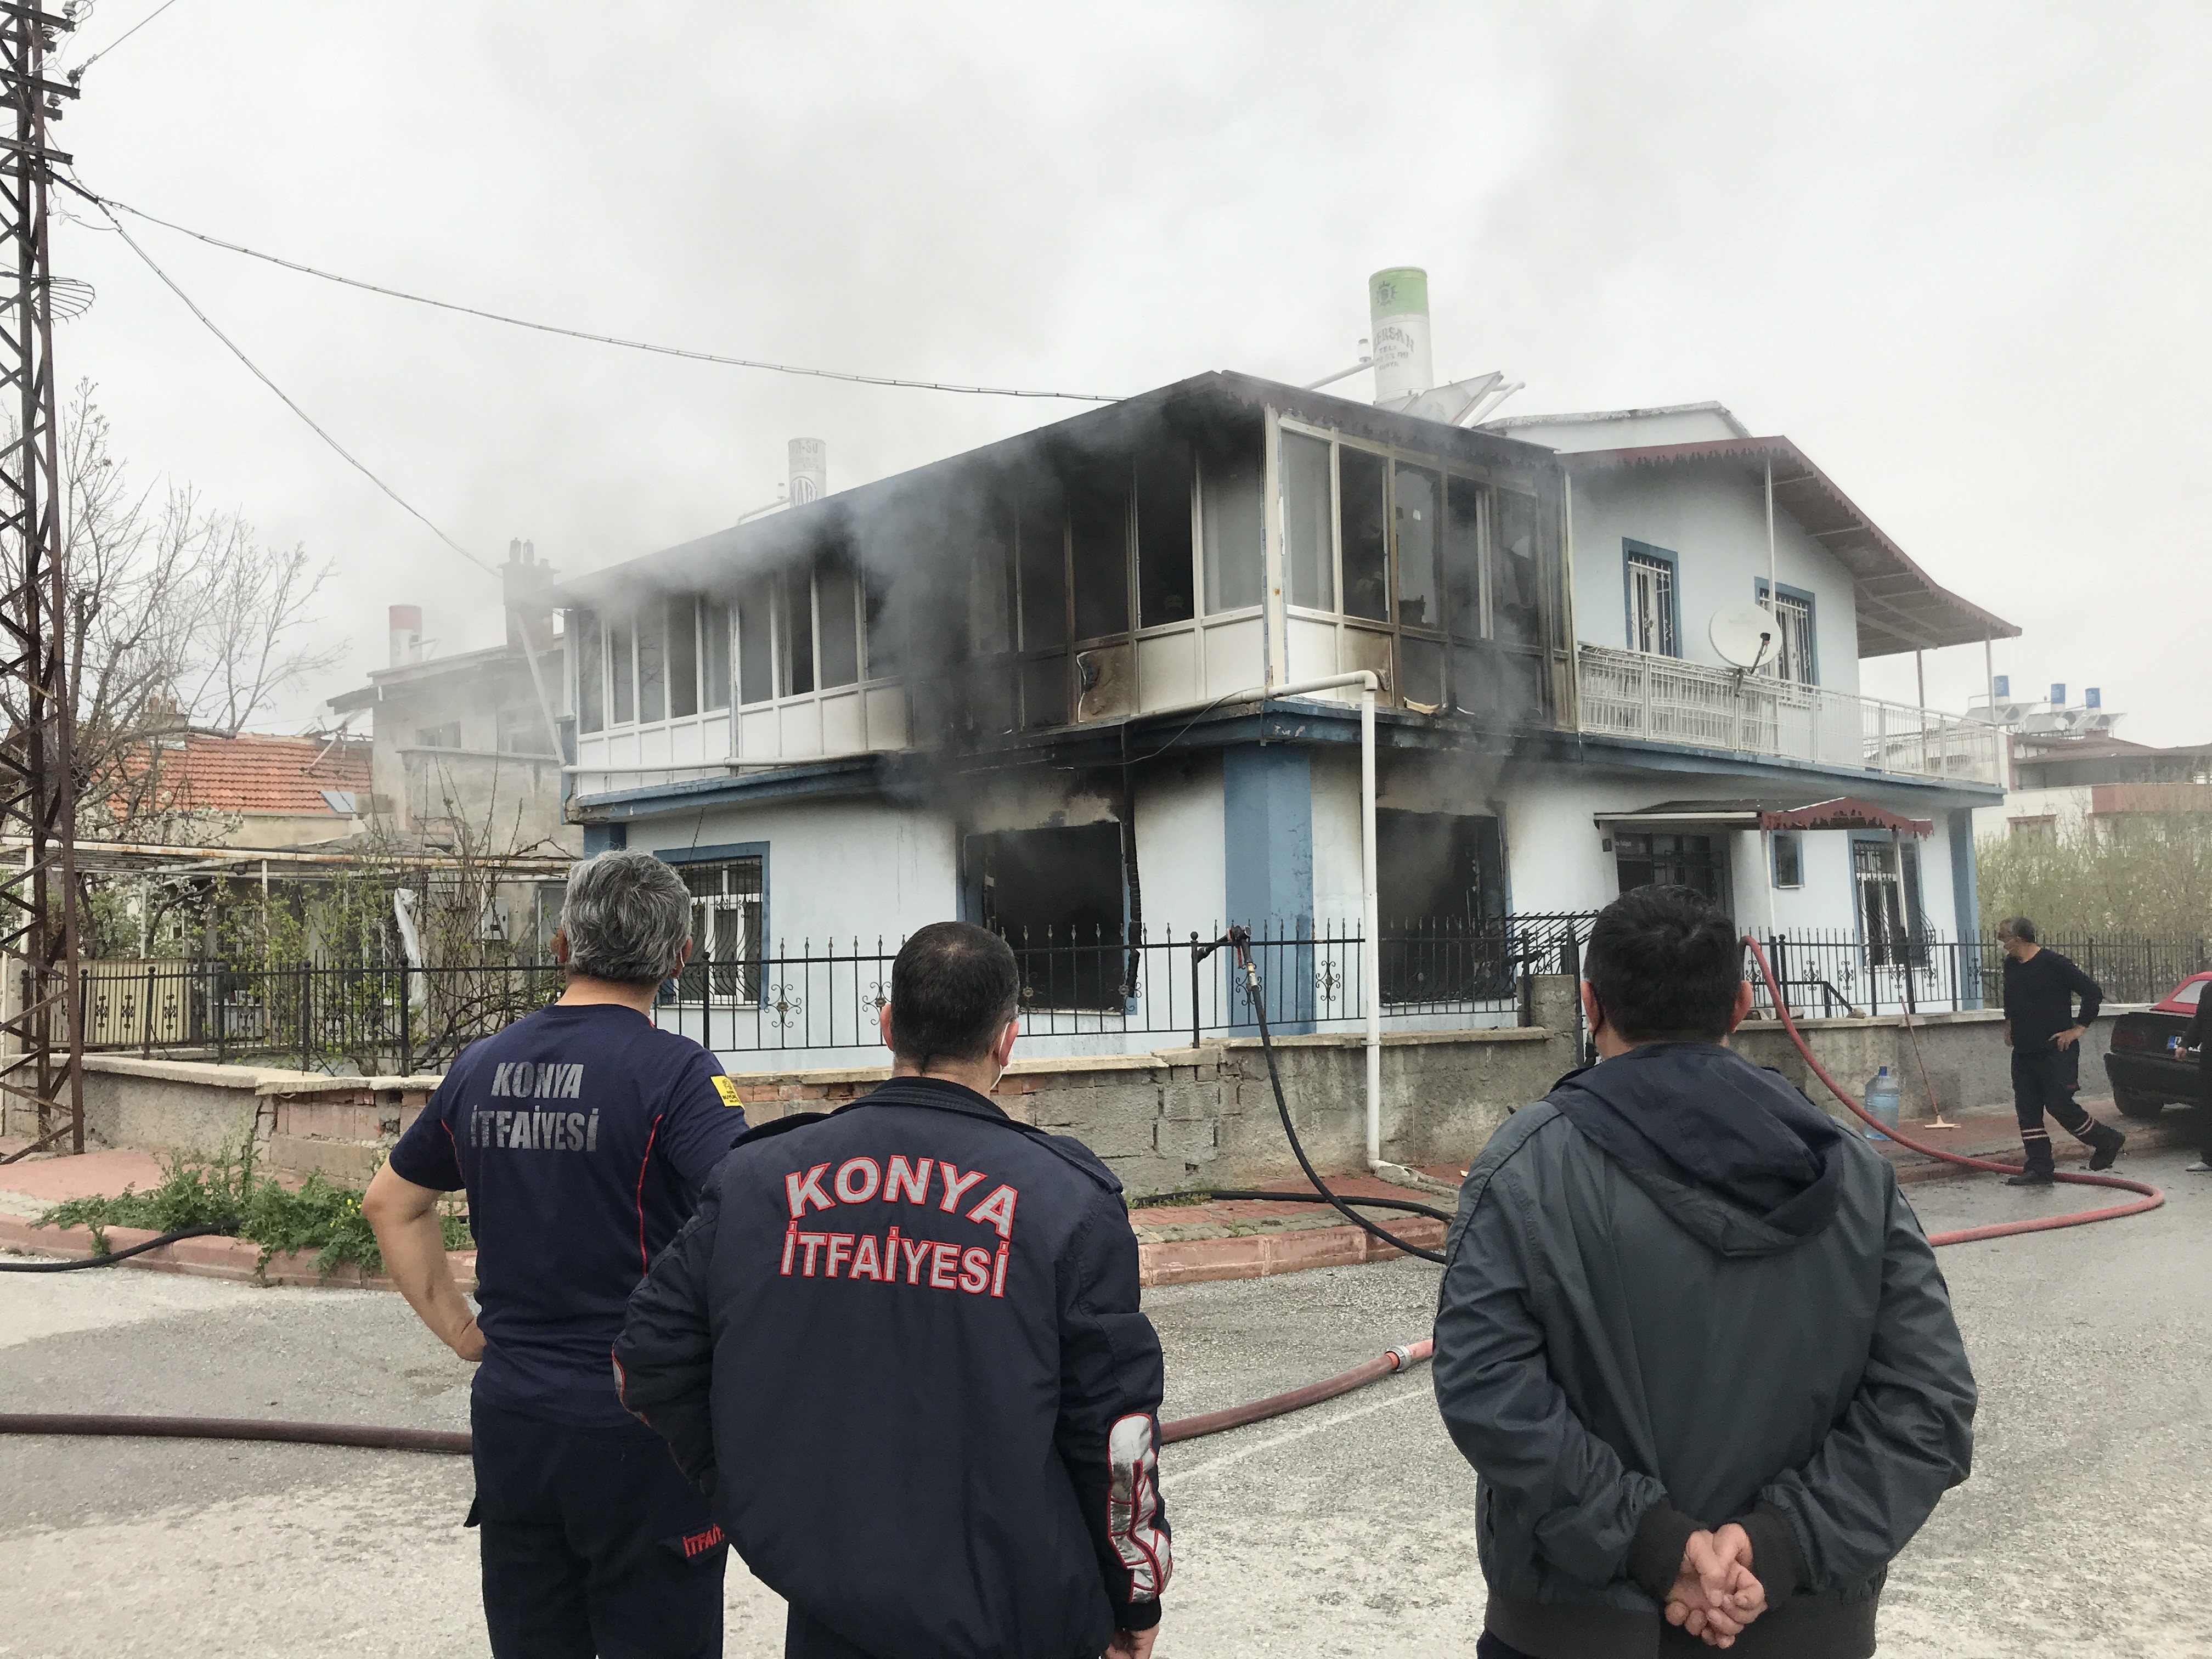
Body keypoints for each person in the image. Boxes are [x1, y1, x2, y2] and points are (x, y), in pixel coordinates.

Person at [1433, 884, 1977, 1658]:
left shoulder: (1524, 1167)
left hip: (1572, 1632)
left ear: (1590, 1004)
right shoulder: (1856, 1173)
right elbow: (1929, 1402)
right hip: (1807, 1632)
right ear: (1742, 1003)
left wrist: (1654, 1545)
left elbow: (1487, 1388)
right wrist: (1784, 1543)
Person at [614, 920, 1170, 1659]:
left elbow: (645, 1362)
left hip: (834, 1612)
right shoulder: (1069, 1203)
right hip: (1020, 1616)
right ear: (1008, 1041)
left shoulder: (760, 1179)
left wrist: (750, 1492)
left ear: (886, 1025)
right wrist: (1136, 1600)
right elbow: (1116, 1443)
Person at [363, 849, 746, 1659]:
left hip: (515, 1424)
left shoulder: (481, 1064)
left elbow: (391, 1203)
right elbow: (752, 1215)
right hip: (644, 1431)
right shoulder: (676, 1075)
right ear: (679, 959)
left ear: (562, 943)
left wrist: (466, 1334)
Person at [1995, 915, 2124, 1186]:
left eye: (2003, 938)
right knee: (2027, 1110)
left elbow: (2092, 992)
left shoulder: (2054, 964)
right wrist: (2009, 1023)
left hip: (2056, 1050)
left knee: (2059, 1105)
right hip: (2023, 1052)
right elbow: (2012, 998)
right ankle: (2039, 1168)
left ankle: (2107, 1140)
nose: (2001, 944)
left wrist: (2078, 1029)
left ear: (2019, 939)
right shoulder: (2011, 966)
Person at [2182, 988, 2211, 1175]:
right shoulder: (2209, 990)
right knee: (2208, 1108)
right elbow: (2200, 1020)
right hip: (2210, 1060)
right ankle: (2209, 1158)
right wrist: (2185, 1043)